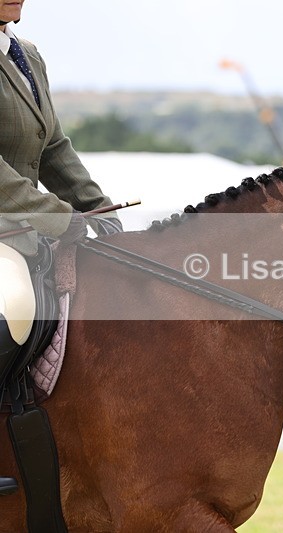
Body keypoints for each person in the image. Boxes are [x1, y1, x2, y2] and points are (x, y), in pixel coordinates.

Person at [0, 0, 121, 494]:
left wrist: (100, 211)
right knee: (16, 306)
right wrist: (57, 217)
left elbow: (54, 149)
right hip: (10, 229)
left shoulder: (26, 54)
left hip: (25, 230)